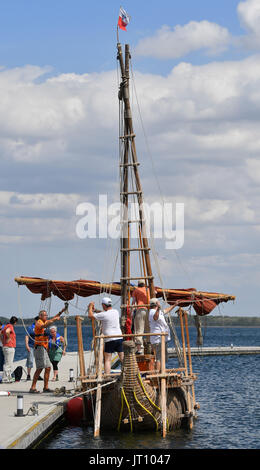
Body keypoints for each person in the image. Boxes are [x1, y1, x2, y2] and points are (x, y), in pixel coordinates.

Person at [29, 307, 66, 394]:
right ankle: (32, 387)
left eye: (46, 315)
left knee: (48, 367)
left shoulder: (45, 321)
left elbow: (53, 318)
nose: (46, 316)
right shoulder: (39, 322)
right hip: (39, 347)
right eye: (45, 315)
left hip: (44, 348)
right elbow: (44, 326)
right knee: (40, 368)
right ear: (40, 316)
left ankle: (46, 387)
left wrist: (61, 312)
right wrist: (53, 320)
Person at [88, 297, 124, 374]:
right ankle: (127, 373)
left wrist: (90, 307)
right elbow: (104, 313)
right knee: (122, 357)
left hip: (109, 339)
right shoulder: (116, 312)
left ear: (104, 305)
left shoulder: (104, 314)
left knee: (107, 359)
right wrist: (96, 310)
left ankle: (107, 376)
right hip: (119, 337)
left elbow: (90, 316)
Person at [149, 298, 177, 371]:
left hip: (161, 339)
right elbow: (155, 317)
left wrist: (174, 305)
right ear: (156, 304)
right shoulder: (152, 312)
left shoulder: (157, 311)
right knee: (159, 357)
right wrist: (158, 309)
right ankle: (159, 374)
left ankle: (161, 371)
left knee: (162, 357)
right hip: (158, 339)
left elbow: (166, 311)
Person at [131, 280, 150, 354]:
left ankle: (139, 349)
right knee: (149, 329)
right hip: (148, 310)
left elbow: (133, 302)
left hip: (140, 309)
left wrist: (131, 311)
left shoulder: (136, 290)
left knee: (139, 330)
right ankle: (149, 346)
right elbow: (154, 293)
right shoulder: (148, 290)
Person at [25, 316, 43, 381]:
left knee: (39, 361)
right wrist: (27, 345)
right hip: (31, 346)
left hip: (39, 346)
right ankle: (28, 375)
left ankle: (37, 375)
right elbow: (27, 336)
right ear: (35, 321)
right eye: (38, 321)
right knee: (30, 360)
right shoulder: (30, 328)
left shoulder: (41, 327)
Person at [2, 316, 18, 383]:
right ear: (15, 322)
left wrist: (2, 341)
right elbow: (7, 331)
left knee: (6, 362)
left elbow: (1, 333)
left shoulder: (5, 326)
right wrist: (8, 338)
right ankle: (6, 378)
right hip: (10, 347)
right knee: (9, 363)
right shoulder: (10, 326)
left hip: (5, 346)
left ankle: (7, 377)